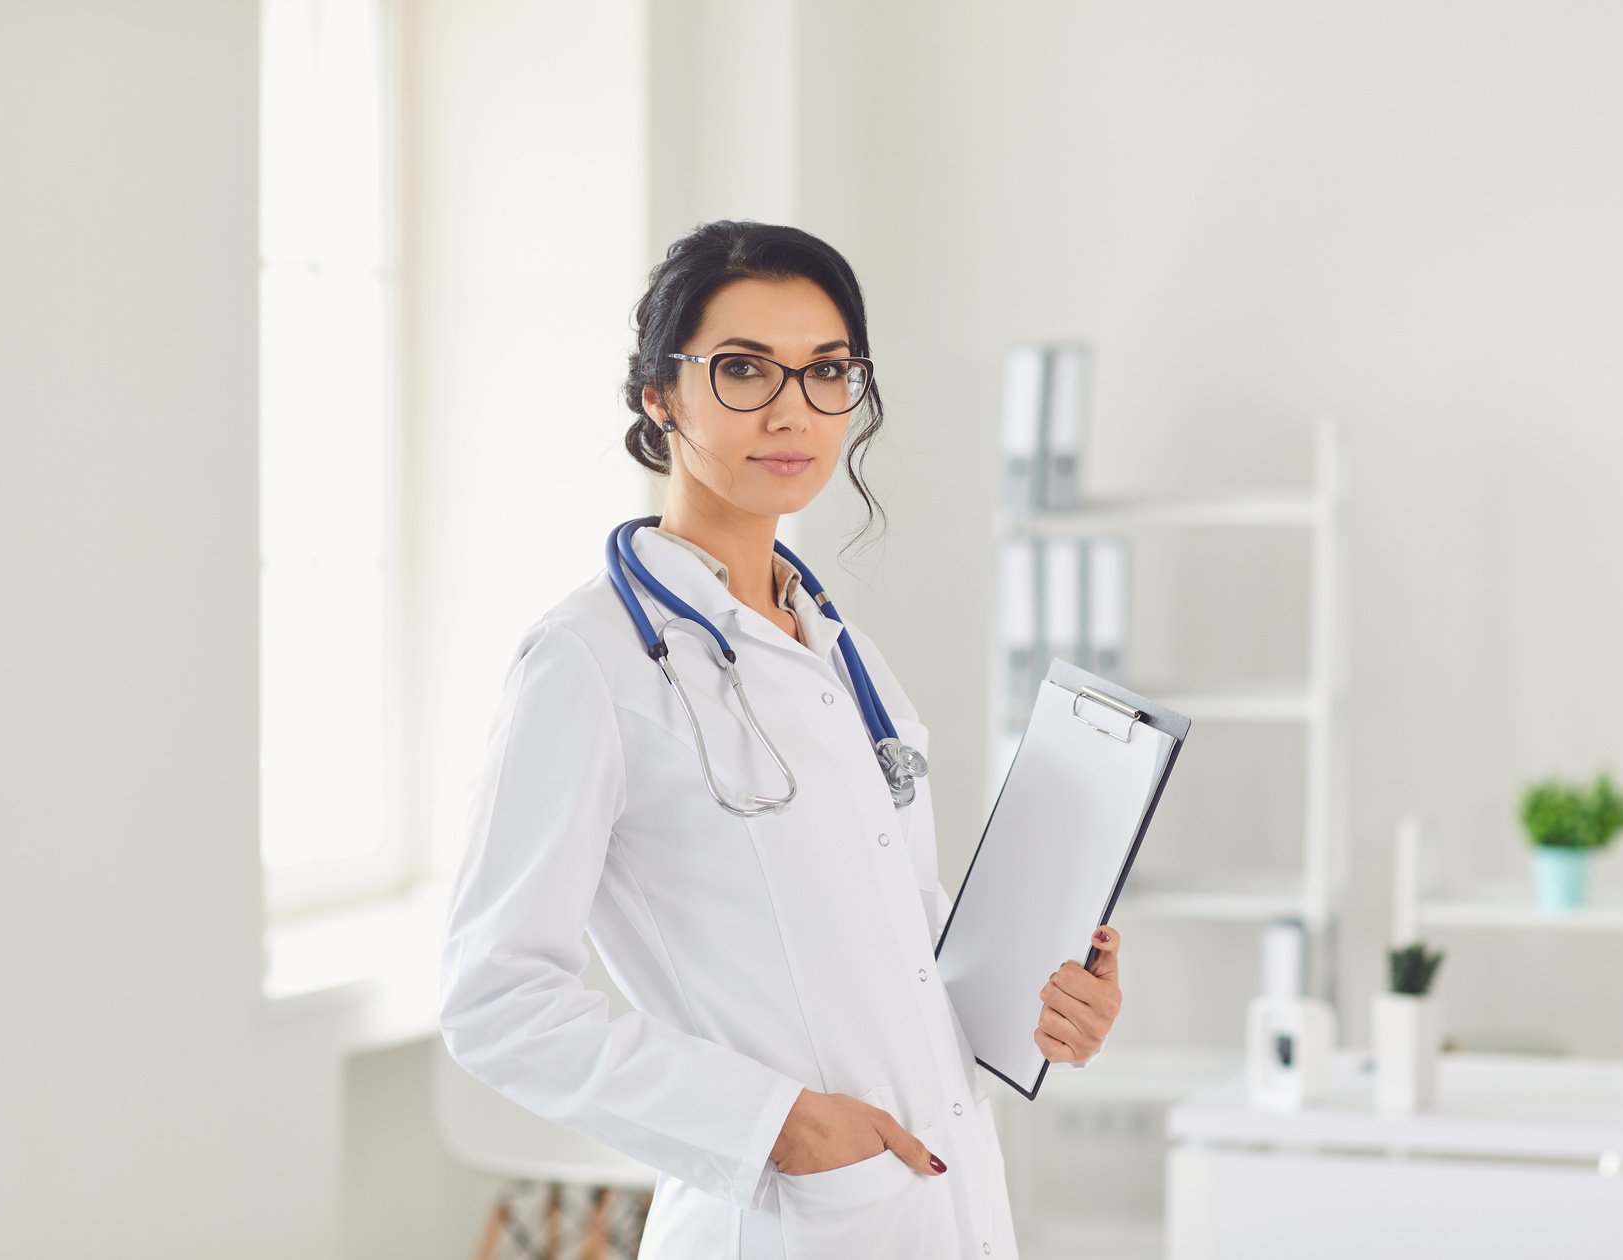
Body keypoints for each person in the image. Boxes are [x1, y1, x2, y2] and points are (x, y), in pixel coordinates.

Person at [438, 220, 1125, 1259]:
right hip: (783, 1217)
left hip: (936, 1201)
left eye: (827, 371)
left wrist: (1045, 1004)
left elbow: (890, 950)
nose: (792, 409)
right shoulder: (588, 660)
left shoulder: (839, 650)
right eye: (744, 369)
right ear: (658, 394)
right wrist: (777, 1128)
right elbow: (495, 1000)